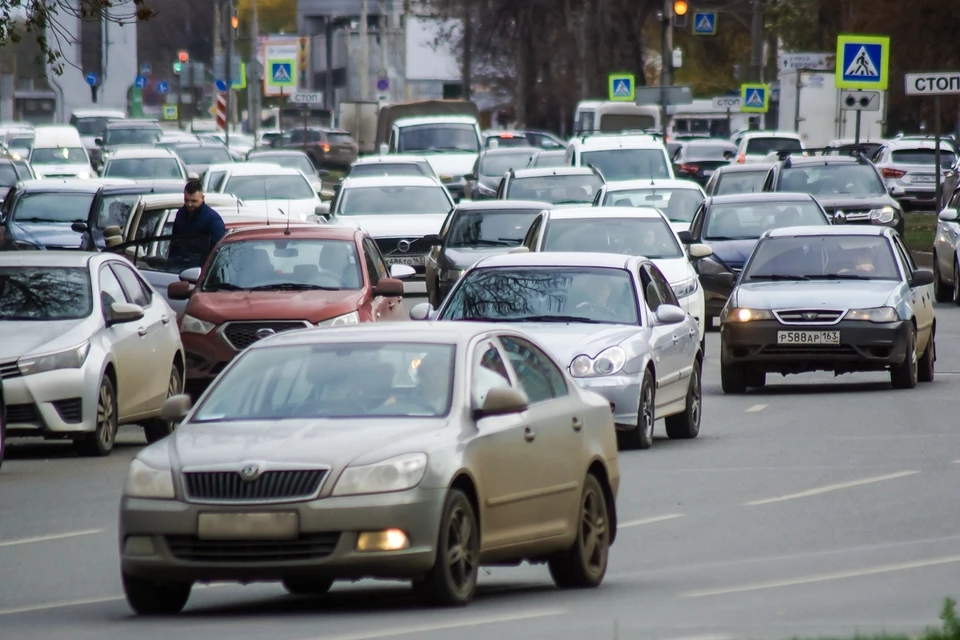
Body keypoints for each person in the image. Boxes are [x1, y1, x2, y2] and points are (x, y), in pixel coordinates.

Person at [168, 180, 226, 268]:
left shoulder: (212, 219)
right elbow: (174, 242)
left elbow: (218, 250)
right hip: (178, 266)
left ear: (202, 198)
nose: (189, 204)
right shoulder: (181, 214)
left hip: (200, 270)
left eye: (194, 201)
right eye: (186, 200)